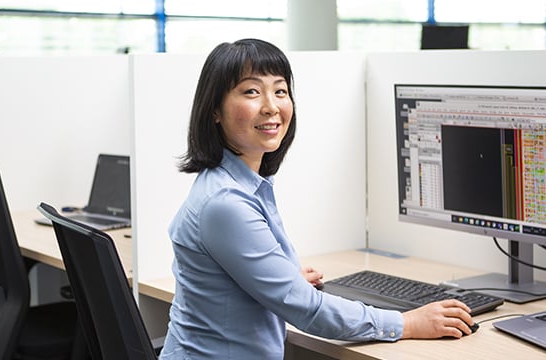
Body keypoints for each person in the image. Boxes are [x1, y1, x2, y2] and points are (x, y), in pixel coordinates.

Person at [159, 38, 475, 360]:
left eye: (280, 91)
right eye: (252, 91)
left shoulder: (239, 184)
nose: (271, 106)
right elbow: (309, 311)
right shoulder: (226, 203)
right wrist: (407, 322)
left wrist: (283, 280)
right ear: (215, 110)